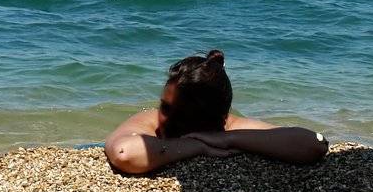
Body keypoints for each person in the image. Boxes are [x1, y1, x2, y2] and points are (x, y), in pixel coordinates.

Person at [104, 50, 328, 175]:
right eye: (164, 106)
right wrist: (199, 145)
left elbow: (315, 144)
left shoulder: (229, 126)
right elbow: (126, 154)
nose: (164, 116)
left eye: (177, 110)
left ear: (209, 114)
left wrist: (225, 138)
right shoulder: (149, 120)